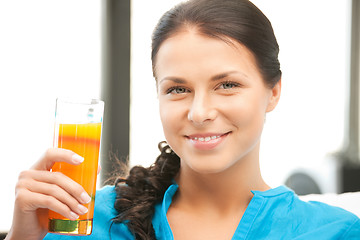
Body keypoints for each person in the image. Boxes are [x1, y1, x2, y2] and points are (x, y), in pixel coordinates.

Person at [5, 0, 360, 239]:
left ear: (274, 92)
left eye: (227, 84)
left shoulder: (336, 231)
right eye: (178, 89)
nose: (199, 112)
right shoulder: (85, 220)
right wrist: (22, 235)